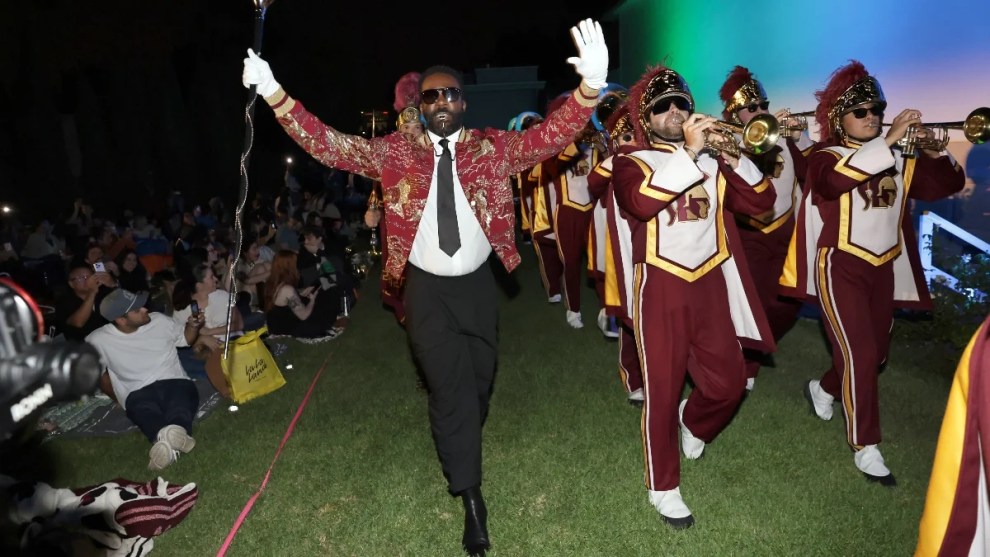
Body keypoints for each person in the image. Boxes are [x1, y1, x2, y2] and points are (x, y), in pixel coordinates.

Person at [243, 18, 609, 556]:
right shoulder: (392, 154)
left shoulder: (493, 149)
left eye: (450, 94)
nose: (440, 102)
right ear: (421, 105)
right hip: (426, 291)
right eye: (431, 94)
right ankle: (472, 499)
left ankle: (463, 436)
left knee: (479, 382)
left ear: (463, 103)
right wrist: (276, 93)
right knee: (450, 389)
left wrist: (589, 90)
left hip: (479, 289)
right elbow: (328, 144)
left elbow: (551, 137)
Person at [781, 60, 965, 485]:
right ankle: (866, 445)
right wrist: (894, 138)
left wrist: (936, 150)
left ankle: (824, 388)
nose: (873, 118)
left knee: (873, 354)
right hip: (840, 266)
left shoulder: (896, 154)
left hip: (884, 267)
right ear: (838, 118)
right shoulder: (827, 156)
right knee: (861, 354)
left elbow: (943, 187)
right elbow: (832, 183)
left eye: (877, 110)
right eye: (861, 111)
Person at [610, 65, 776, 528]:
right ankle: (663, 487)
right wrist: (690, 152)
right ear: (647, 117)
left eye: (682, 103)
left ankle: (696, 420)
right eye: (662, 106)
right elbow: (641, 203)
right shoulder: (631, 161)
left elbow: (762, 201)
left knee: (727, 384)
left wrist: (737, 151)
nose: (675, 111)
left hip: (709, 282)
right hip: (659, 284)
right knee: (660, 391)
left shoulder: (711, 159)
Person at [718, 66, 815, 391]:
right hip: (747, 233)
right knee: (751, 302)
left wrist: (800, 137)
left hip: (784, 232)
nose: (761, 112)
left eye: (764, 105)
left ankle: (751, 354)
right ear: (734, 114)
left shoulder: (781, 135)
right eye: (752, 108)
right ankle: (745, 363)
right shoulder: (726, 141)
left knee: (788, 304)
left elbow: (813, 174)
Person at [85, 288, 203, 471]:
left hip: (173, 381)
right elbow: (99, 375)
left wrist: (193, 326)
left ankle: (164, 442)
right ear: (121, 320)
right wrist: (117, 399)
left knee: (179, 404)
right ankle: (176, 435)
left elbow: (186, 340)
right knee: (144, 411)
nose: (145, 309)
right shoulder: (97, 340)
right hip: (137, 392)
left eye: (142, 305)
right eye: (137, 309)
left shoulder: (159, 321)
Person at [587, 102, 645, 406]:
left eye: (635, 134)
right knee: (629, 314)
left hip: (654, 245)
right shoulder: (611, 163)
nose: (632, 142)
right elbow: (593, 183)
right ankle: (633, 378)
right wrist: (619, 155)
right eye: (624, 137)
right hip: (621, 248)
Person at [365, 71, 427, 326]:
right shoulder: (389, 156)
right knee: (401, 280)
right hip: (395, 228)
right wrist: (373, 209)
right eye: (406, 128)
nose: (411, 132)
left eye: (416, 127)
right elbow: (377, 188)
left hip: (426, 227)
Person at [263, 250, 338, 340]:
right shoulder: (287, 290)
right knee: (327, 302)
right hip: (290, 329)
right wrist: (313, 300)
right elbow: (304, 316)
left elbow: (285, 299)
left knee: (320, 291)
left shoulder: (271, 283)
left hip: (278, 325)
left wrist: (301, 291)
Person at [53, 263, 116, 341]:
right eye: (81, 278)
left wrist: (113, 285)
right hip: (83, 347)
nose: (88, 280)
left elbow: (127, 310)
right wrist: (92, 292)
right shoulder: (64, 301)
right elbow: (78, 323)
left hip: (110, 340)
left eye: (90, 277)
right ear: (71, 284)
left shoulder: (103, 294)